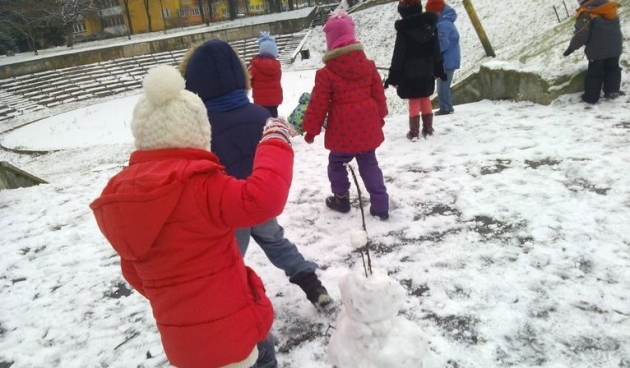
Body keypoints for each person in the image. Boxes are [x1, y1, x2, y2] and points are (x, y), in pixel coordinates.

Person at [89, 64, 297, 367]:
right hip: (233, 341)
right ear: (199, 132)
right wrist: (275, 139)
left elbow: (133, 270)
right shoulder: (203, 185)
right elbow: (262, 199)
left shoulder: (121, 197)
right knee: (263, 356)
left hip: (183, 350)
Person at [179, 39, 332, 310]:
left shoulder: (198, 126)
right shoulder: (259, 114)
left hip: (227, 212)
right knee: (276, 240)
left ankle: (234, 310)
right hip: (259, 200)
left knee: (228, 261)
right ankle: (312, 284)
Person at [301, 10, 390, 221]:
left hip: (343, 131)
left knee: (336, 163)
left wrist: (311, 130)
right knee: (369, 163)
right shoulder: (368, 66)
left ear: (331, 42)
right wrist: (381, 116)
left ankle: (341, 199)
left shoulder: (326, 73)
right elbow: (378, 94)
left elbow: (318, 103)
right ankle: (381, 205)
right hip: (367, 127)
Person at [385, 0, 447, 140]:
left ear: (404, 12)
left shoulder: (404, 31)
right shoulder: (431, 27)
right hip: (427, 70)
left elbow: (398, 55)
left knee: (414, 99)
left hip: (410, 72)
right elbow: (436, 51)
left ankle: (414, 132)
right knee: (425, 97)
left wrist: (394, 77)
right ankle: (428, 128)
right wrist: (438, 70)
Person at [563, 0, 622, 104]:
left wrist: (571, 48)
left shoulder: (586, 13)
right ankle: (612, 93)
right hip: (615, 46)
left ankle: (591, 98)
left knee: (594, 73)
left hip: (597, 50)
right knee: (612, 68)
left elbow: (581, 35)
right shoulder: (609, 7)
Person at [426, 0, 460, 116]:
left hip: (447, 61)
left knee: (442, 86)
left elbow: (442, 44)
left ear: (436, 11)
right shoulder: (445, 22)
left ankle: (446, 107)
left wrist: (432, 52)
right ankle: (446, 106)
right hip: (449, 60)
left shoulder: (443, 25)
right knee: (443, 85)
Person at [249, 31, 283, 117]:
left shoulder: (255, 66)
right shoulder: (277, 67)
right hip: (274, 100)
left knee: (262, 119)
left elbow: (250, 81)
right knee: (273, 117)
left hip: (260, 101)